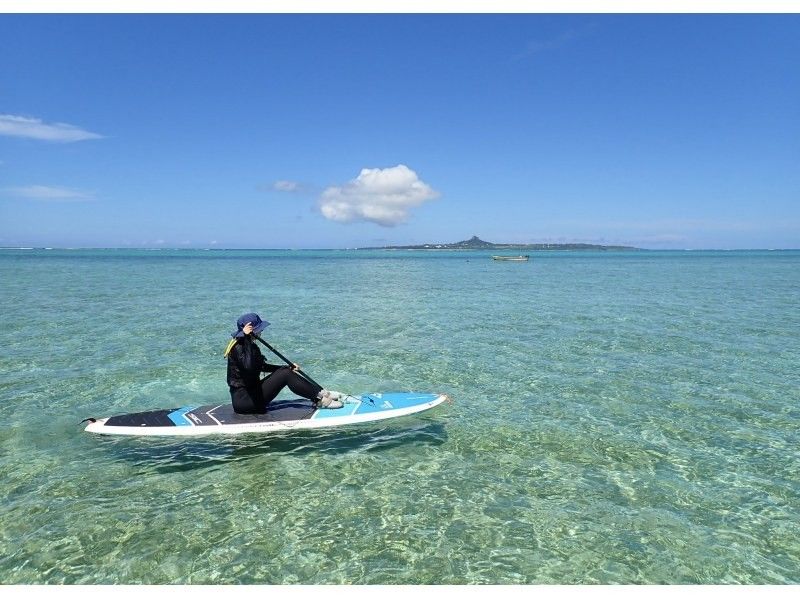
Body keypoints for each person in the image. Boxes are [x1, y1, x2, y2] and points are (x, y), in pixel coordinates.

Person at [224, 312, 345, 414]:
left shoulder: (250, 346)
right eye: (259, 329)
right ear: (251, 331)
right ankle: (321, 400)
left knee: (285, 371)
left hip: (253, 394)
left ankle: (321, 393)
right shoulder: (239, 347)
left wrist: (287, 367)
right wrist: (246, 339)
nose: (261, 332)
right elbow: (248, 367)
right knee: (285, 374)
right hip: (245, 402)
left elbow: (261, 366)